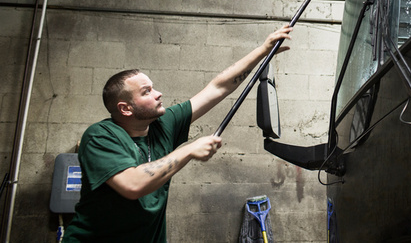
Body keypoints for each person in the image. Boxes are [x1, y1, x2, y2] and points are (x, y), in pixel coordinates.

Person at [62, 25, 293, 242]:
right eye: (147, 91)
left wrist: (263, 50)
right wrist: (188, 150)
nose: (158, 93)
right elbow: (133, 185)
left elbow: (218, 87)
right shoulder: (101, 136)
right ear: (125, 108)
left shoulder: (163, 123)